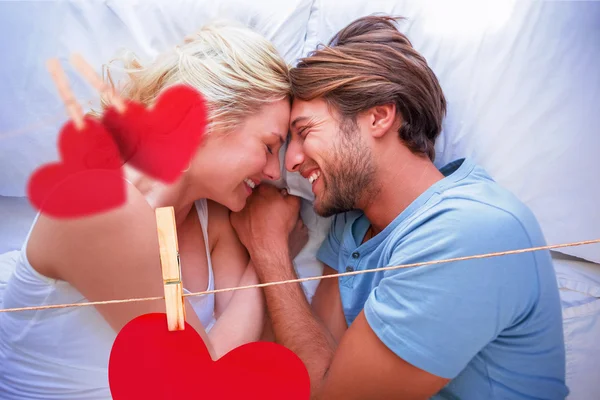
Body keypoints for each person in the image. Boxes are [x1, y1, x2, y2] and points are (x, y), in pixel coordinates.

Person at [230, 15, 569, 399]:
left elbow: (327, 392)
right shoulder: (353, 228)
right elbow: (311, 359)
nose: (290, 163)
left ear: (378, 116)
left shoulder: (469, 232)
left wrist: (269, 249)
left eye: (305, 132)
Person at [0, 20, 306, 399]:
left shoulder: (215, 219)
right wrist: (272, 251)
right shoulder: (99, 204)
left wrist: (262, 256)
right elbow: (202, 384)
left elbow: (252, 360)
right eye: (268, 145)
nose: (275, 172)